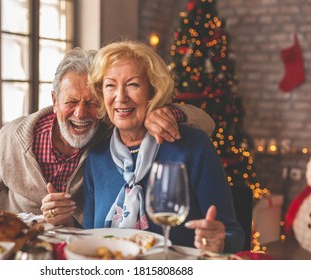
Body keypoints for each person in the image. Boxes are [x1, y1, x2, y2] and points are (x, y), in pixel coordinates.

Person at [0, 47, 214, 227]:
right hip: (18, 244)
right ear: (54, 99)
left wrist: (164, 113)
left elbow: (206, 123)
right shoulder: (17, 137)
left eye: (92, 102)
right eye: (71, 101)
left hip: (76, 247)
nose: (81, 113)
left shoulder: (110, 135)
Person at [83, 41, 244, 253]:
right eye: (110, 85)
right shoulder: (96, 157)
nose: (120, 97)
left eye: (133, 84)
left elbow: (233, 234)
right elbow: (89, 238)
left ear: (152, 91)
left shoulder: (192, 146)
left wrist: (219, 241)